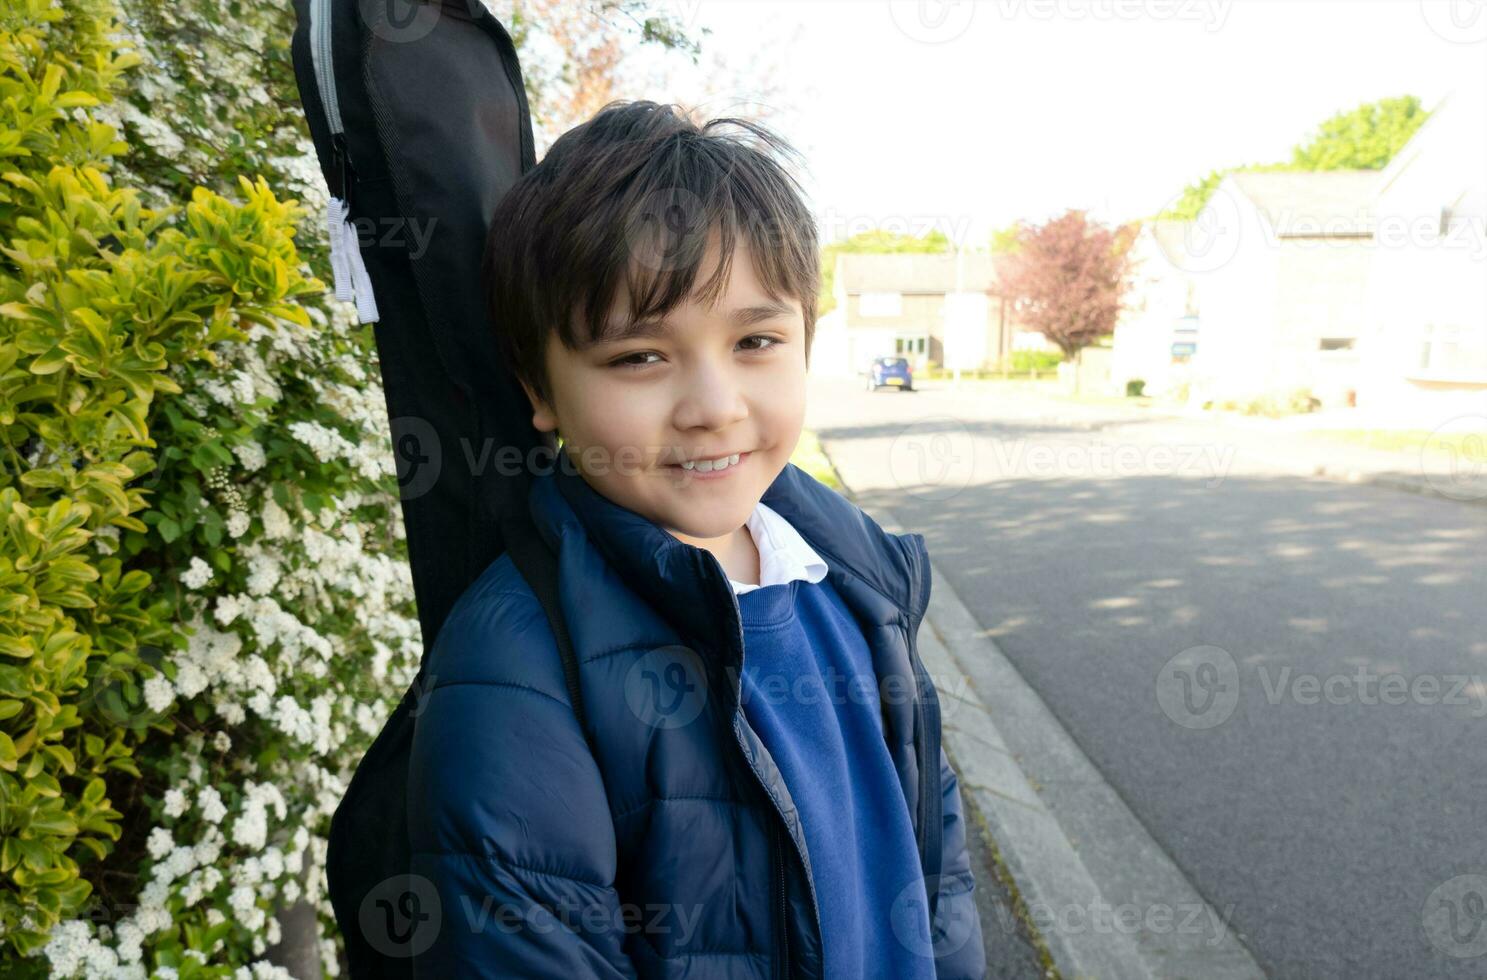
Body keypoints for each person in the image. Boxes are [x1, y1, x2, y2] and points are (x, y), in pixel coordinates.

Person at [406, 99, 985, 979]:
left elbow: (932, 857)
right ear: (542, 391)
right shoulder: (515, 674)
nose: (714, 406)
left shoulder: (859, 578)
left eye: (755, 340)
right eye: (640, 356)